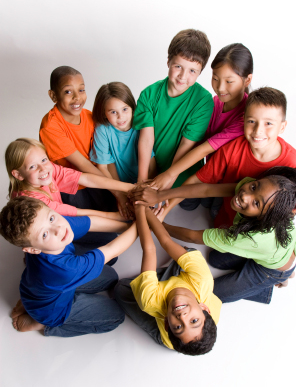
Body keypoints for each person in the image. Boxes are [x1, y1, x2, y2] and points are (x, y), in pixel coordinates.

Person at [135, 87, 296, 228]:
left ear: (282, 127)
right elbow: (198, 182)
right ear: (243, 121)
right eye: (252, 121)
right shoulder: (232, 149)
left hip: (259, 232)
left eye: (268, 123)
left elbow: (289, 212)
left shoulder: (291, 163)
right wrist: (165, 210)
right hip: (226, 214)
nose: (258, 131)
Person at [0, 196, 138, 337]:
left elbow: (91, 223)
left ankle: (29, 303)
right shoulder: (66, 269)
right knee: (116, 316)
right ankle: (44, 325)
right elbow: (111, 249)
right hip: (52, 311)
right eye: (45, 234)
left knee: (111, 277)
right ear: (32, 249)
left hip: (38, 290)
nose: (58, 229)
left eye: (51, 218)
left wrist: (130, 226)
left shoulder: (55, 225)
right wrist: (142, 225)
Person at [158, 173, 296, 304]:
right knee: (214, 259)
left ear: (264, 218)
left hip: (271, 271)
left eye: (256, 203)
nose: (245, 196)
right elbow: (207, 190)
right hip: (276, 250)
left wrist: (159, 224)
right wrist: (161, 195)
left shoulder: (248, 237)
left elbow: (192, 237)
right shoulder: (263, 197)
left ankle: (271, 284)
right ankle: (284, 273)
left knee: (207, 294)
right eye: (254, 187)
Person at [150, 43, 253, 204]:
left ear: (247, 80)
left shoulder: (247, 117)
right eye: (215, 79)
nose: (220, 87)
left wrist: (170, 174)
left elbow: (203, 149)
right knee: (191, 205)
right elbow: (194, 138)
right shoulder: (214, 103)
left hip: (230, 185)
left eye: (229, 81)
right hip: (206, 175)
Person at [114, 204, 221, 355]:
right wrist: (146, 210)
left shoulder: (150, 301)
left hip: (164, 325)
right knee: (188, 253)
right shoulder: (203, 280)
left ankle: (163, 276)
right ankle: (165, 275)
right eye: (194, 321)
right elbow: (165, 241)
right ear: (204, 308)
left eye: (178, 327)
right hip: (193, 287)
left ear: (166, 323)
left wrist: (139, 211)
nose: (182, 317)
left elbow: (149, 249)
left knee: (120, 290)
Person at [5, 138, 135, 254]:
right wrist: (119, 216)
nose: (43, 168)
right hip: (51, 233)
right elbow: (76, 213)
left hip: (56, 219)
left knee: (108, 236)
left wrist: (129, 187)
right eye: (32, 167)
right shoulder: (32, 199)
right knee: (108, 242)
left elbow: (85, 179)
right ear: (18, 175)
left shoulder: (47, 168)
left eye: (44, 160)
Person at [133, 29, 213, 188]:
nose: (183, 76)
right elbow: (146, 140)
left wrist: (168, 181)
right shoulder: (149, 94)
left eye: (192, 71)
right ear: (168, 61)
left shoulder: (203, 101)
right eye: (178, 66)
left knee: (189, 206)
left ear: (200, 72)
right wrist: (141, 180)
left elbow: (186, 145)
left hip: (183, 176)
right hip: (153, 169)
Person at [39, 66, 119, 218]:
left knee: (121, 214)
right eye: (68, 91)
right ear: (53, 95)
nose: (77, 98)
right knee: (95, 230)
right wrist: (117, 191)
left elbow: (106, 156)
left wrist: (117, 188)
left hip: (97, 178)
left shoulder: (90, 116)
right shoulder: (50, 126)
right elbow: (83, 165)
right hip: (73, 187)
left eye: (81, 90)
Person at [89, 82, 156, 219]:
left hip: (143, 181)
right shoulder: (103, 130)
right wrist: (120, 194)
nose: (120, 117)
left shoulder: (141, 124)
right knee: (124, 216)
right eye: (113, 112)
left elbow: (152, 161)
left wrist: (149, 187)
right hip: (118, 185)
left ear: (132, 107)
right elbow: (103, 167)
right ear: (104, 113)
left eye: (125, 109)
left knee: (147, 213)